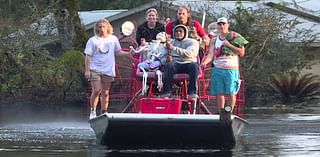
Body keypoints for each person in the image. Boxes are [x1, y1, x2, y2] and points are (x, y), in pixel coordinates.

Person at [201, 17, 249, 118]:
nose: (221, 26)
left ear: (227, 25)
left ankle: (229, 112)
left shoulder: (234, 37)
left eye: (223, 24)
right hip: (218, 68)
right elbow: (211, 54)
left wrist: (229, 45)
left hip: (231, 69)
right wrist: (205, 62)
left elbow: (242, 52)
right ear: (217, 26)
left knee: (231, 92)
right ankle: (221, 112)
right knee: (219, 92)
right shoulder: (214, 40)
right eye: (220, 24)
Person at [84, 19, 125, 119]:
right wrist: (87, 70)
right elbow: (88, 56)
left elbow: (118, 52)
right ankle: (93, 111)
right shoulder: (92, 40)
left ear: (107, 27)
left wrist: (129, 54)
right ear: (97, 29)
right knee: (97, 90)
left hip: (108, 69)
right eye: (100, 27)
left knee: (105, 92)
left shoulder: (113, 39)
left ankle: (104, 112)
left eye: (103, 27)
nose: (102, 29)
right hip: (95, 69)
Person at [162, 24, 199, 98]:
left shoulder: (193, 42)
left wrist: (174, 49)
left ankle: (192, 93)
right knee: (169, 65)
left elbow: (190, 53)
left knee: (194, 66)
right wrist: (166, 59)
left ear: (185, 32)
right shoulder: (170, 43)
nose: (178, 33)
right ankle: (167, 92)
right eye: (176, 31)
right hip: (175, 63)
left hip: (188, 62)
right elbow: (162, 56)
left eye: (180, 31)